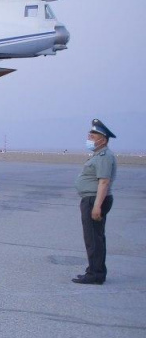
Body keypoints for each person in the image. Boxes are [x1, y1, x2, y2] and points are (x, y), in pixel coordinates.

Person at [73, 119, 118, 285]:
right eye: (89, 135)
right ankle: (95, 270)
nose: (89, 138)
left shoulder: (104, 156)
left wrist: (97, 206)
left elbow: (104, 182)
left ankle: (95, 274)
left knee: (93, 238)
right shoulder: (99, 155)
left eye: (93, 136)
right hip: (92, 199)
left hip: (94, 200)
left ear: (103, 140)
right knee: (96, 237)